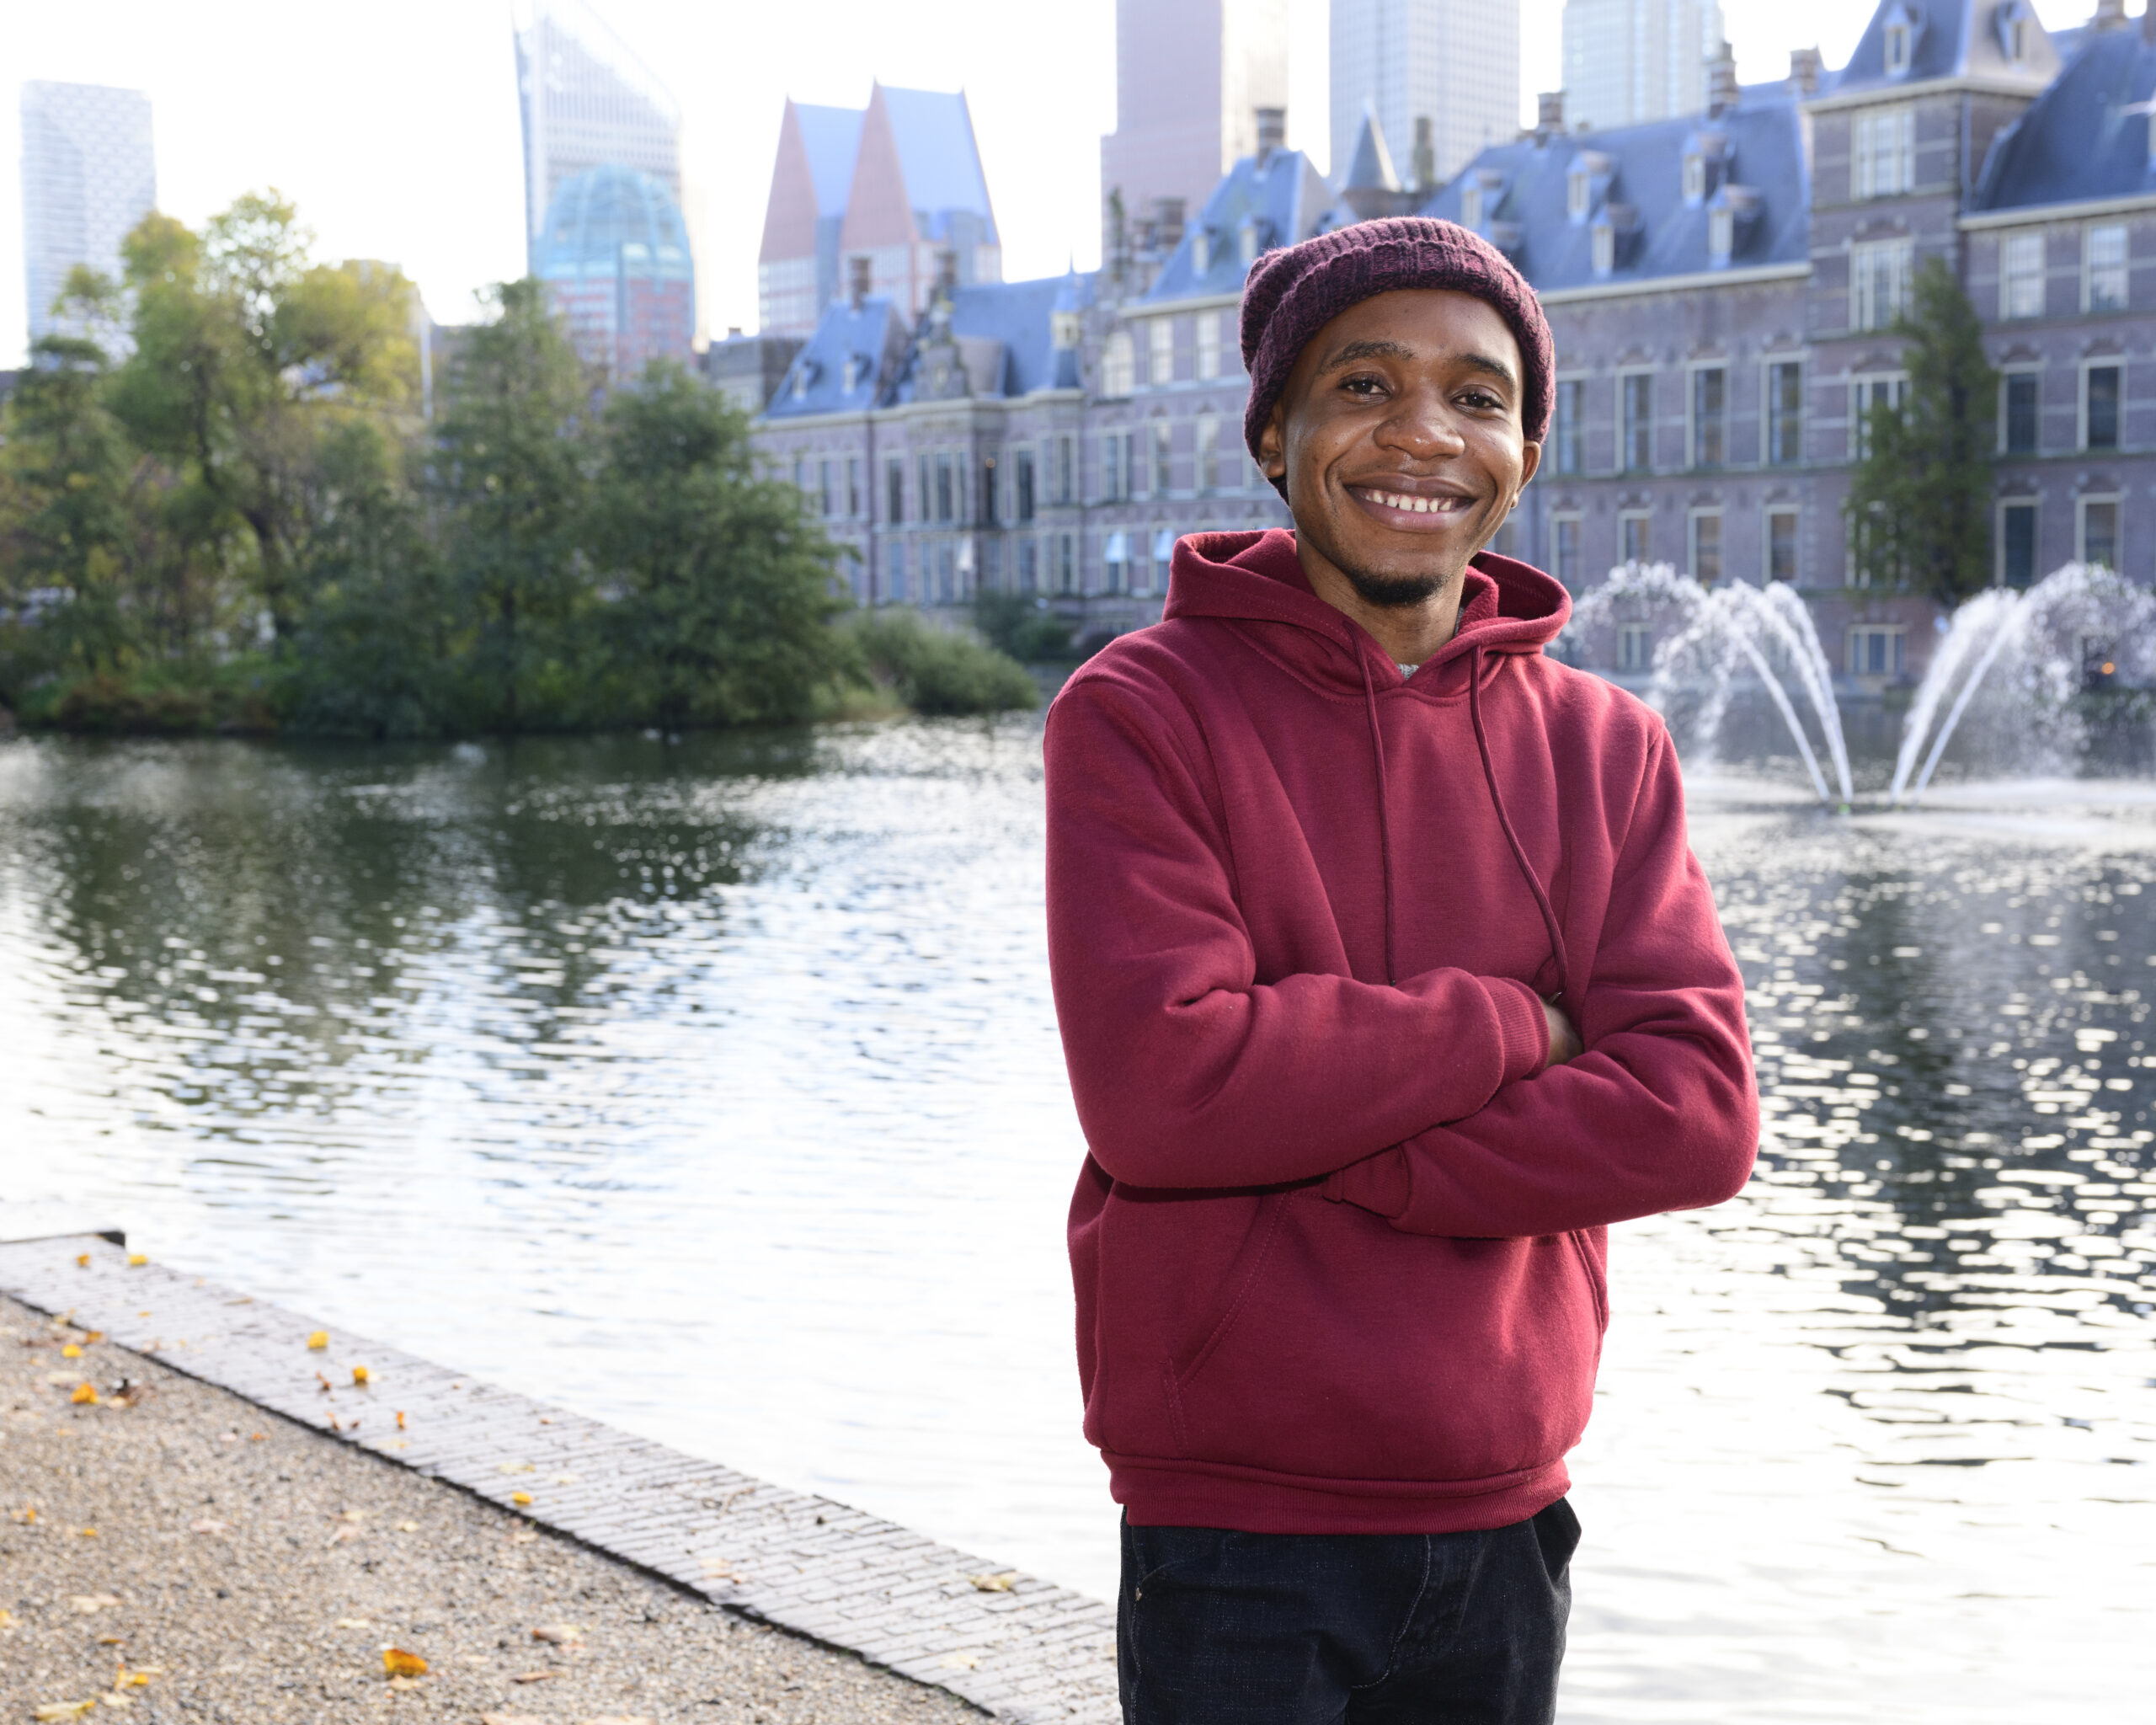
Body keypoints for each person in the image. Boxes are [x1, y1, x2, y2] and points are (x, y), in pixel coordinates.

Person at [1043, 217, 1760, 1723]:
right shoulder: (1139, 713)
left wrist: (1325, 1145)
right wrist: (1518, 1022)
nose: (1423, 433)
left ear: (1528, 446)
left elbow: (1695, 1116)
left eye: (1479, 396)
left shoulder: (1608, 749)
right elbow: (1166, 1098)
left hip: (1510, 1497)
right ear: (1274, 432)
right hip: (1237, 1519)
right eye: (1364, 384)